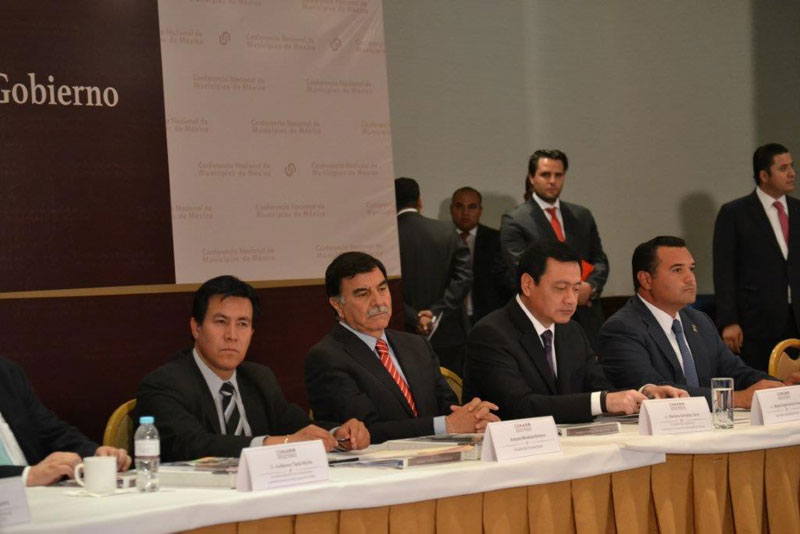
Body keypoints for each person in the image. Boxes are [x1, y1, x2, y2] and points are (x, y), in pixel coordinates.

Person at [136, 275, 369, 462]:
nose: (232, 335)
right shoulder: (164, 384)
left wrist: (337, 434)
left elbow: (298, 426)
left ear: (252, 333)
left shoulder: (258, 377)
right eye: (220, 322)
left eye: (242, 324)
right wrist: (277, 443)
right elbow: (190, 445)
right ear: (196, 327)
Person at [463, 241, 685, 424]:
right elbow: (521, 407)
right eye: (560, 288)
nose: (571, 299)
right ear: (528, 284)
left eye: (577, 288)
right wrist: (602, 402)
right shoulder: (491, 334)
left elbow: (601, 387)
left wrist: (645, 394)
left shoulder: (571, 331)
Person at [305, 252, 498, 444]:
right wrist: (445, 426)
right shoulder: (327, 357)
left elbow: (448, 408)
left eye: (382, 289)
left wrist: (474, 419)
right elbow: (365, 431)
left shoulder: (416, 345)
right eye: (363, 294)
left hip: (442, 455)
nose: (378, 302)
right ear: (337, 305)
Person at [599, 236, 782, 408]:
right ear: (646, 280)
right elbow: (656, 391)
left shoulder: (699, 321)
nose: (690, 279)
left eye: (691, 269)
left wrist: (783, 388)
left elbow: (737, 372)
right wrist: (736, 399)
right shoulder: (621, 329)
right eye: (677, 270)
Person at [500, 149, 609, 349]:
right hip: (543, 317)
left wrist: (590, 288)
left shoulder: (582, 215)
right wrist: (570, 290)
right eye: (545, 174)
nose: (552, 181)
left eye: (558, 175)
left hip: (587, 316)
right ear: (531, 178)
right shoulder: (515, 220)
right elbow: (522, 269)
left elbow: (600, 259)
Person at [713, 143, 800, 371]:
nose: (792, 173)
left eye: (792, 166)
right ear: (764, 175)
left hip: (796, 319)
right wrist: (729, 321)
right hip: (756, 323)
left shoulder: (797, 209)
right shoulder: (735, 213)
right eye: (783, 168)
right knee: (763, 383)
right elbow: (724, 270)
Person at [0, 357, 130, 486]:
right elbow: (31, 475)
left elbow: (50, 430)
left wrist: (94, 454)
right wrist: (28, 475)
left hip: (36, 493)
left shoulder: (7, 372)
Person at [395, 177, 472, 373]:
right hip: (448, 332)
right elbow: (464, 278)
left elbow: (384, 286)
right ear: (419, 201)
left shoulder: (387, 238)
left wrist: (415, 317)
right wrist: (436, 312)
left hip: (402, 332)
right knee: (452, 386)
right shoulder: (447, 231)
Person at [449, 186, 512, 324]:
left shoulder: (497, 240)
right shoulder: (440, 239)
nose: (465, 213)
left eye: (472, 207)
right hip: (449, 320)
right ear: (451, 209)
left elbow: (506, 283)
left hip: (489, 318)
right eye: (459, 206)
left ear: (480, 210)